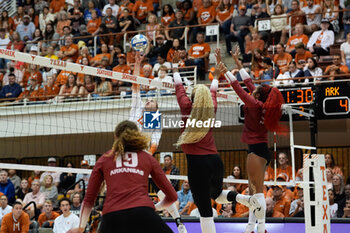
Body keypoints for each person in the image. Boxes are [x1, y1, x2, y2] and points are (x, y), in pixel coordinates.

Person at [173, 50, 251, 233]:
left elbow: (179, 88)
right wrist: (216, 76)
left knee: (204, 210)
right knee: (216, 195)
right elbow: (213, 92)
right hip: (215, 161)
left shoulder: (186, 108)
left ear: (192, 98)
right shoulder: (212, 108)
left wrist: (175, 66)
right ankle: (242, 199)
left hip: (197, 164)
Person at [67, 120, 177, 233]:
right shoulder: (148, 158)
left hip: (112, 217)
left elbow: (89, 199)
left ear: (116, 137)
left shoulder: (104, 159)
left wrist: (81, 228)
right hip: (143, 213)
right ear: (137, 136)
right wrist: (155, 207)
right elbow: (172, 196)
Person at [219, 48, 286, 233]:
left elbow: (238, 89)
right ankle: (250, 226)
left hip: (256, 152)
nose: (254, 88)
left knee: (256, 192)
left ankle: (261, 227)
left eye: (256, 90)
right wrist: (237, 62)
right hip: (258, 150)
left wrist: (224, 70)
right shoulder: (260, 103)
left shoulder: (255, 104)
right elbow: (247, 81)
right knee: (252, 192)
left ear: (257, 95)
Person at [129, 53, 187, 233]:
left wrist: (145, 156)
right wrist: (138, 64)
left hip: (144, 157)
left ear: (156, 107)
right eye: (148, 100)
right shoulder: (136, 108)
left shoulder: (155, 120)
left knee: (163, 189)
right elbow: (135, 84)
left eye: (153, 100)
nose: (149, 101)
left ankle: (178, 221)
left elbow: (153, 145)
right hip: (129, 156)